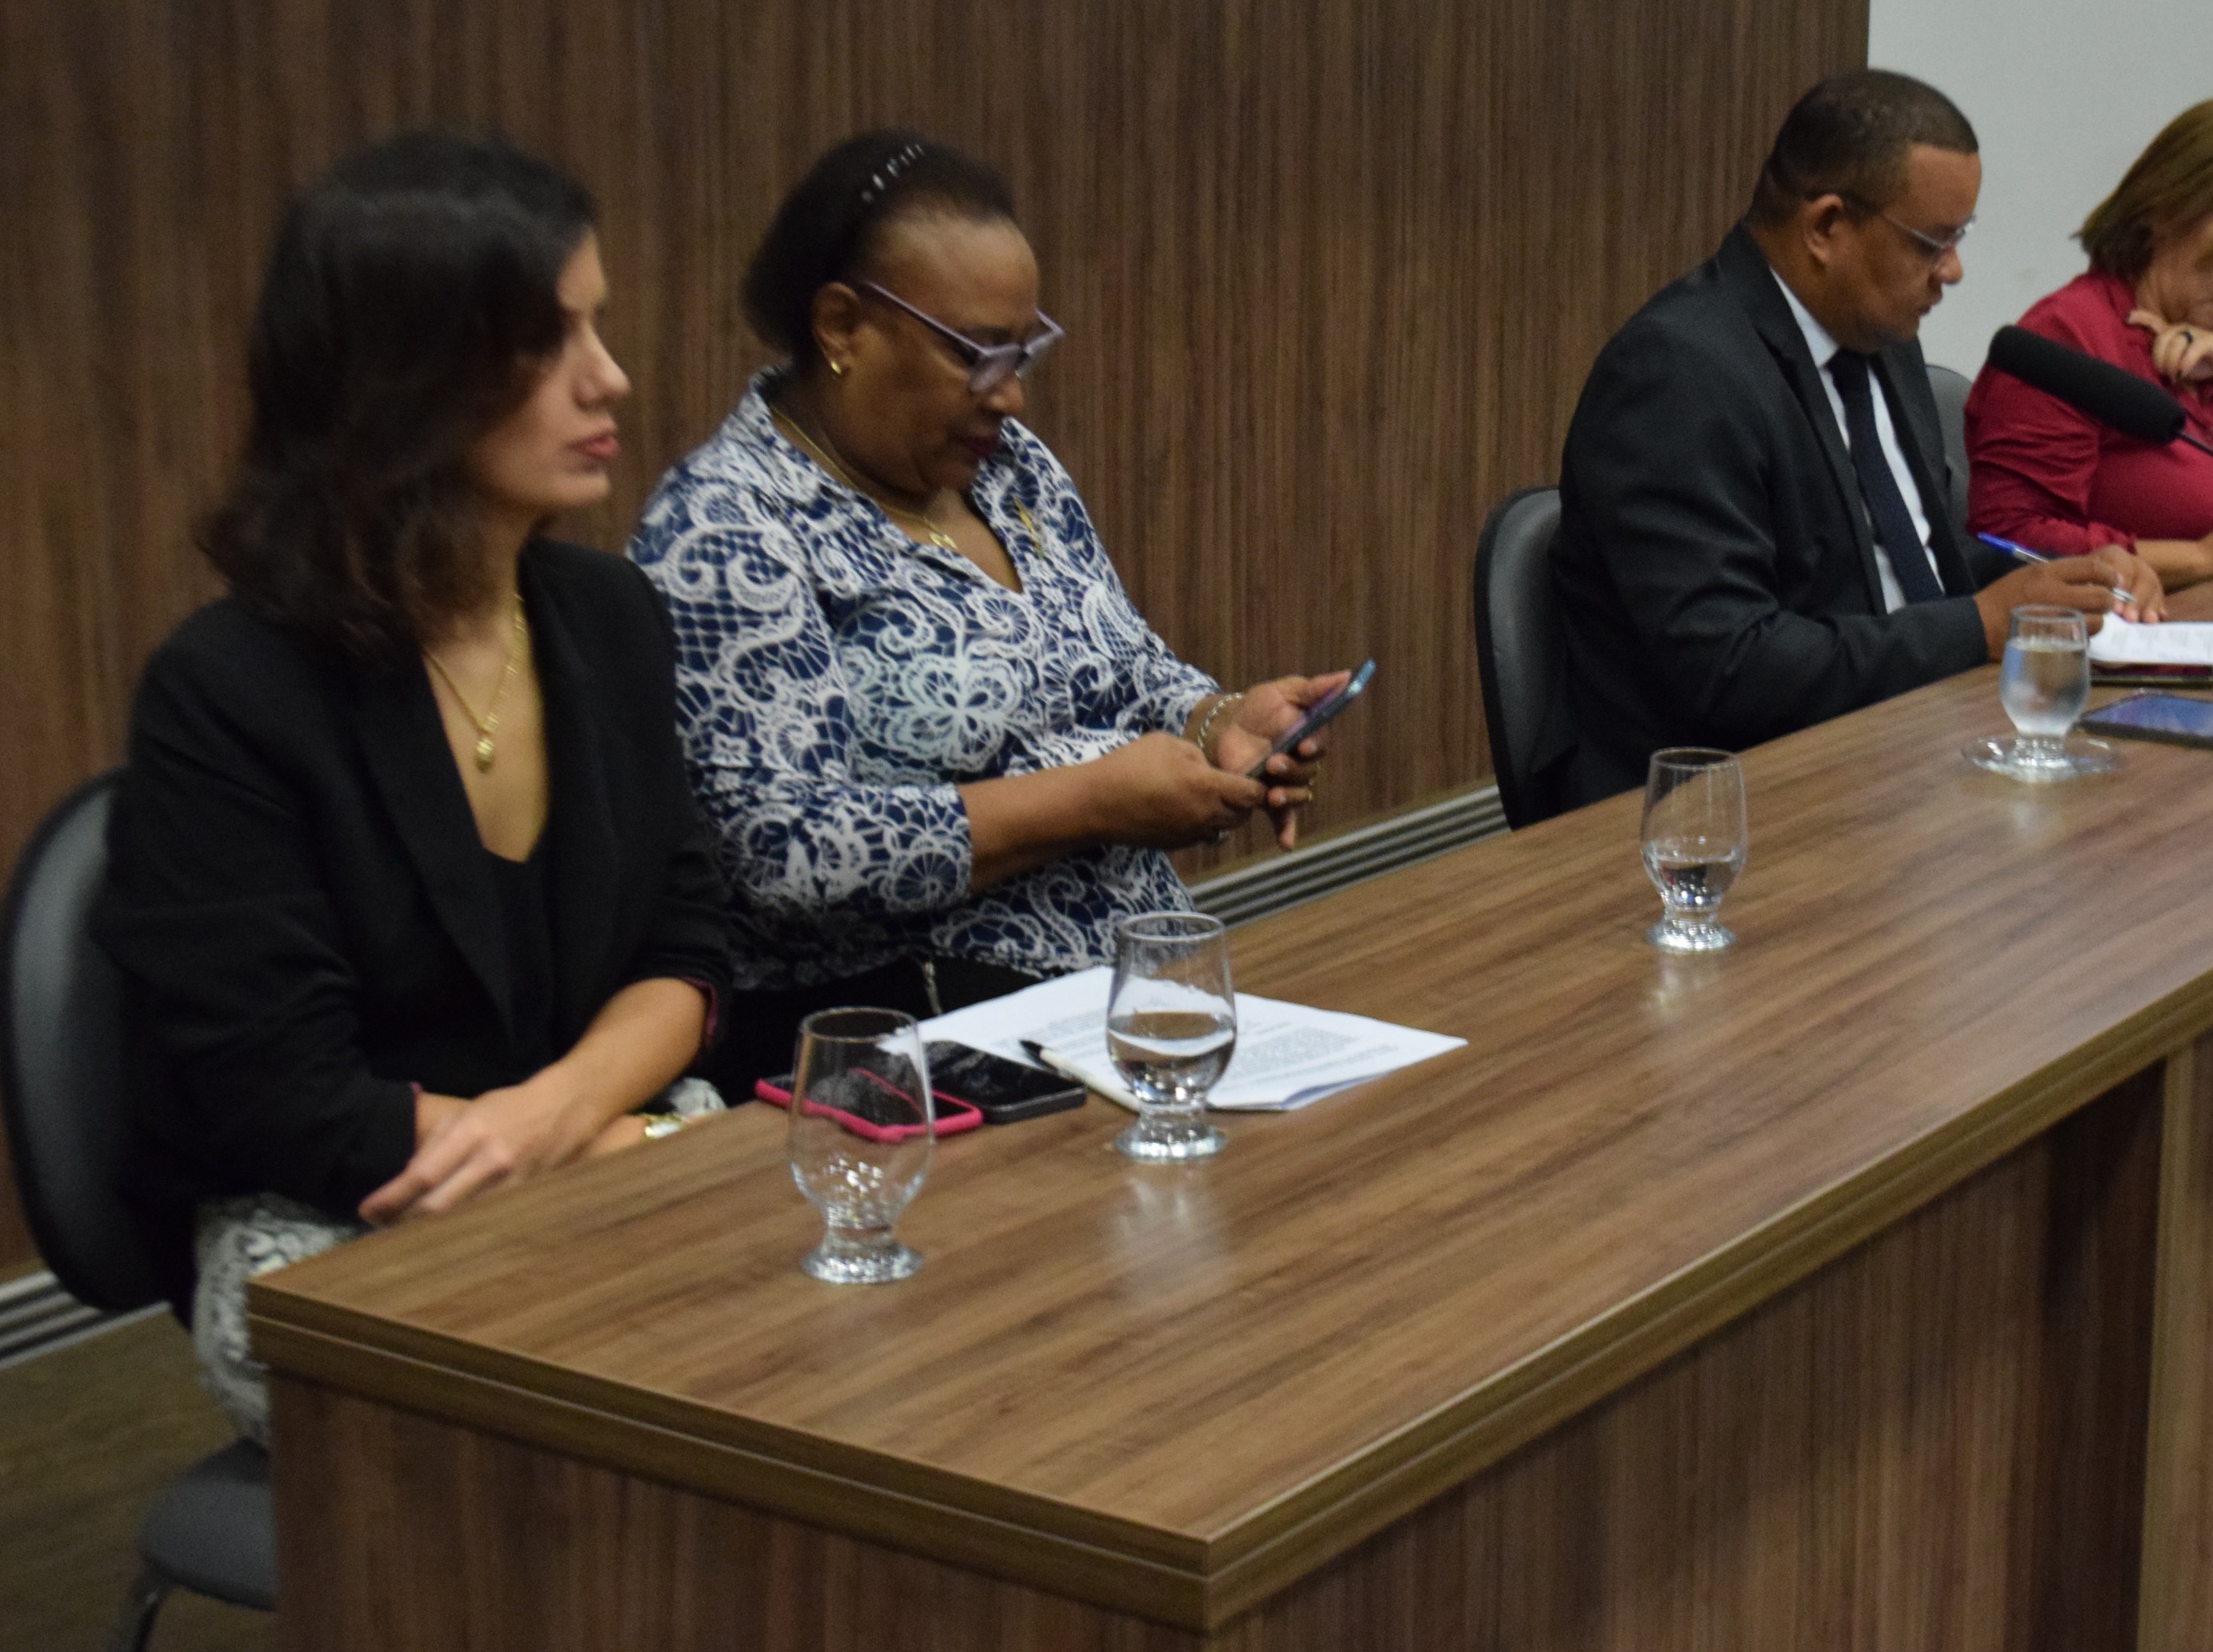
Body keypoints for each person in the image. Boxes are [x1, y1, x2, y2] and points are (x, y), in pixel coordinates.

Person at [97, 134, 732, 1442]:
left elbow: (687, 946)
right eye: (550, 342)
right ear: (406, 379)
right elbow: (286, 1099)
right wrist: (593, 1151)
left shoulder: (609, 614)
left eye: (597, 325)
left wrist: (560, 1120)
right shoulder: (229, 688)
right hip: (345, 1206)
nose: (609, 376)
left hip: (599, 1136)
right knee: (675, 1409)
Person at [630, 131, 1348, 1087]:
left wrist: (1216, 720)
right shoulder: (726, 527)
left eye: (1023, 351)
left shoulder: (1010, 474)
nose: (1009, 395)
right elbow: (785, 854)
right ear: (841, 325)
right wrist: (1089, 801)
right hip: (907, 1054)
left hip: (1128, 1000)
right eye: (975, 354)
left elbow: (1126, 666)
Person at [1547, 70, 2161, 812]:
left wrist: (2061, 583)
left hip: (1904, 757)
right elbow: (1730, 667)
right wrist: (1981, 624)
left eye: (1960, 237)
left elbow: (1919, 564)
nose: (1954, 271)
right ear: (1826, 227)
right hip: (1732, 804)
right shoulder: (1678, 373)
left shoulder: (1879, 339)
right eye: (1932, 242)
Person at [1963, 98, 2213, 587]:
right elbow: (2011, 541)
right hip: (2125, 625)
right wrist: (2205, 557)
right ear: (2171, 209)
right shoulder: (2068, 337)